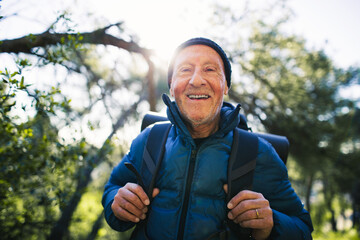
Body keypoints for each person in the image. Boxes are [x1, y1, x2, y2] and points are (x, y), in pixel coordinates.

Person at [102, 37, 313, 239]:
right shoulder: (150, 139)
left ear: (225, 86)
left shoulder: (258, 152)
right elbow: (113, 186)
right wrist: (116, 203)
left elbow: (302, 228)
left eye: (210, 69)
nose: (196, 80)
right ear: (172, 85)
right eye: (185, 70)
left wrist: (271, 225)